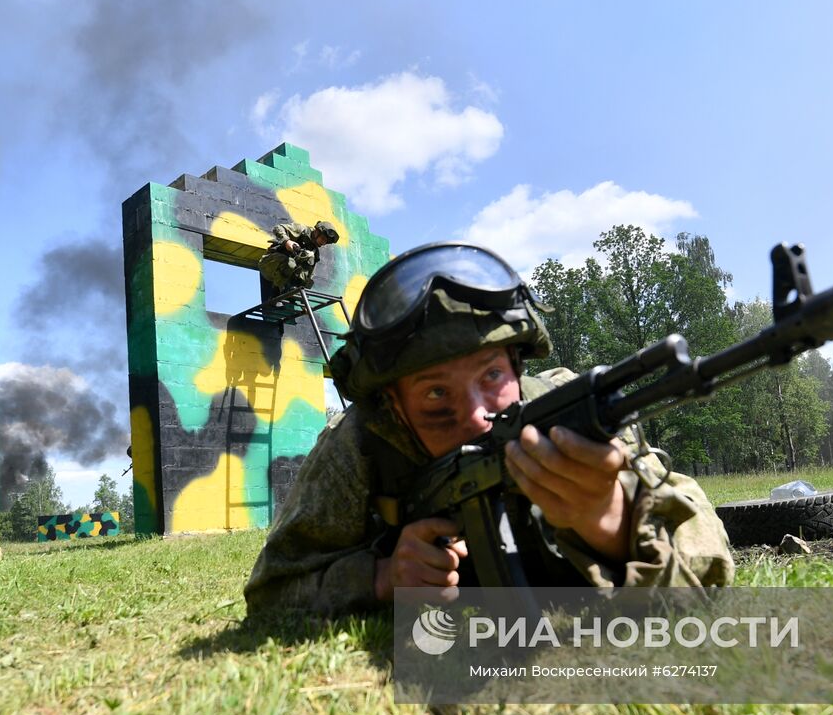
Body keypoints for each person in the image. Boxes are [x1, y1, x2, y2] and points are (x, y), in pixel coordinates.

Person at [245, 242, 733, 616]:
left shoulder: (567, 415)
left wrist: (613, 523)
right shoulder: (361, 444)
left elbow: (706, 569)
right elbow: (272, 590)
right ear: (392, 405)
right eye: (436, 393)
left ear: (517, 366)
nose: (478, 415)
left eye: (492, 376)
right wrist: (381, 576)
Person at [258, 220, 340, 300]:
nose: (323, 242)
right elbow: (278, 228)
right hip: (269, 265)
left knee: (308, 280)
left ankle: (290, 292)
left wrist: (303, 294)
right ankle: (275, 293)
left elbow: (309, 275)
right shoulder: (302, 230)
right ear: (317, 232)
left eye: (326, 241)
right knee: (290, 263)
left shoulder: (314, 253)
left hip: (285, 275)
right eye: (322, 238)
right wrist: (287, 241)